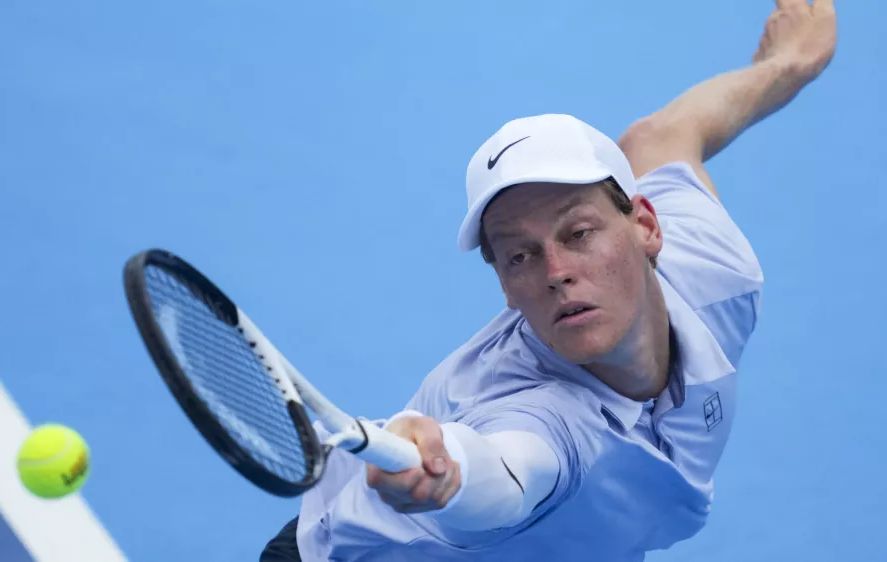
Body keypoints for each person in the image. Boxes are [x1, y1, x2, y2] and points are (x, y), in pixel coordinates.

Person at [262, 1, 837, 560]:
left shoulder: (714, 269)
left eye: (579, 232)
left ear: (646, 226)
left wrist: (784, 66)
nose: (557, 273)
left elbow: (663, 136)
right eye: (520, 256)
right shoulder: (537, 410)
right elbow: (508, 470)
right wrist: (449, 474)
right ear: (505, 288)